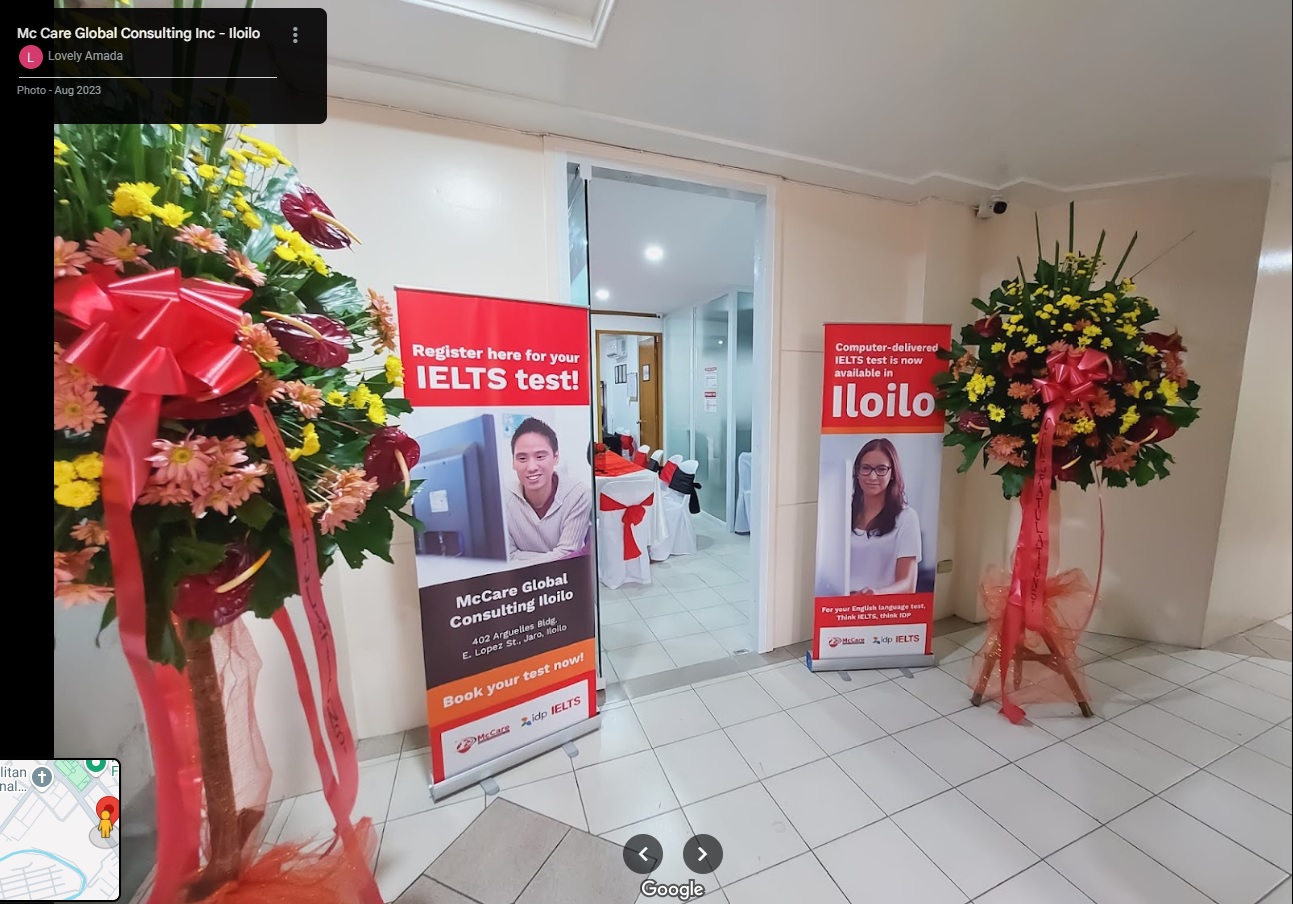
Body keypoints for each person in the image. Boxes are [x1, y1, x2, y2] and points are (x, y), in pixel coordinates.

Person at [505, 417, 592, 563]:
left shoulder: (578, 494)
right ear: (513, 462)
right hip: (520, 577)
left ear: (555, 457)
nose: (531, 467)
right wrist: (554, 556)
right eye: (522, 458)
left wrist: (521, 559)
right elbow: (509, 556)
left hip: (567, 575)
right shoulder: (503, 499)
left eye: (540, 456)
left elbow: (567, 554)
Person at [848, 438, 921, 595]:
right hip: (841, 604)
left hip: (883, 605)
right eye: (866, 468)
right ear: (857, 472)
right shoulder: (842, 512)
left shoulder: (906, 518)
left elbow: (908, 584)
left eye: (881, 469)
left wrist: (875, 594)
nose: (872, 477)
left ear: (892, 473)